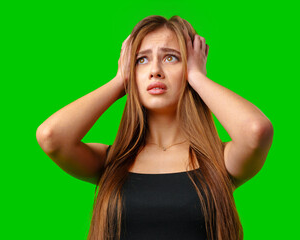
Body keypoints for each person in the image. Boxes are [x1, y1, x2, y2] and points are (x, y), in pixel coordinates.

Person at [36, 15, 273, 240]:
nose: (155, 71)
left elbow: (256, 130)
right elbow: (51, 136)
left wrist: (199, 78)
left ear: (189, 67)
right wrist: (119, 81)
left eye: (171, 57)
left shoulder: (220, 160)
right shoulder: (110, 161)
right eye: (142, 60)